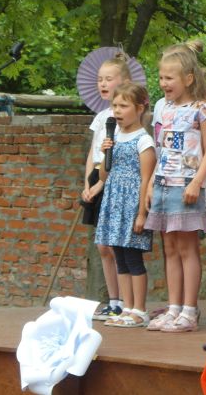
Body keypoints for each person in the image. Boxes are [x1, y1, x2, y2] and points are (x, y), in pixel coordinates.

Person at [144, 46, 206, 332]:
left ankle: (189, 310)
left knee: (187, 248)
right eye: (161, 77)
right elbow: (161, 149)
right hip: (163, 183)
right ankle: (173, 307)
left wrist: (197, 182)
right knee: (170, 248)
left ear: (188, 78)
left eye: (169, 78)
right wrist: (151, 184)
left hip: (186, 184)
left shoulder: (202, 110)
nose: (164, 83)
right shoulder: (164, 108)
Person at [96, 83, 156, 327]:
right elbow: (103, 175)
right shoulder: (113, 137)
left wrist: (142, 214)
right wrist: (104, 153)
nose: (117, 111)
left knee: (133, 258)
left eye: (123, 106)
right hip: (114, 203)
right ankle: (126, 306)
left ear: (140, 108)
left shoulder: (144, 141)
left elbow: (146, 179)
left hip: (131, 205)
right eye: (115, 106)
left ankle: (140, 310)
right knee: (119, 257)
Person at [80, 52, 131, 321]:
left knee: (114, 245)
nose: (102, 83)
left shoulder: (127, 119)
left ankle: (124, 301)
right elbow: (93, 152)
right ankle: (112, 300)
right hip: (96, 178)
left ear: (124, 82)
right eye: (100, 79)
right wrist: (87, 183)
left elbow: (119, 157)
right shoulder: (101, 117)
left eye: (109, 79)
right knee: (101, 245)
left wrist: (101, 183)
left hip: (111, 180)